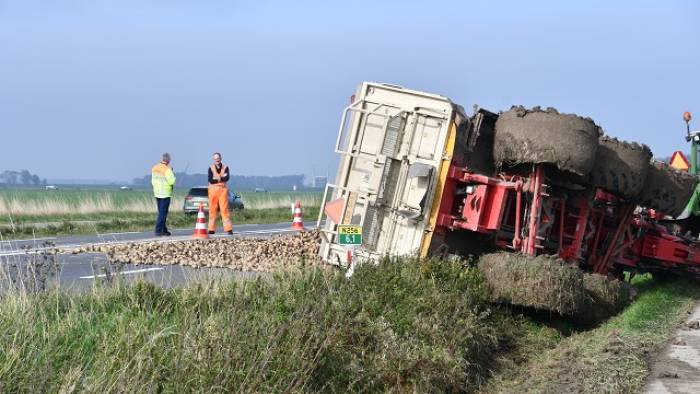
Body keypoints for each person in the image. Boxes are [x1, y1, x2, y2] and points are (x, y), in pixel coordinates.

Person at [208, 152, 233, 235]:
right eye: (215, 159)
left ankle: (228, 229)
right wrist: (221, 178)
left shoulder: (226, 167)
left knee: (224, 210)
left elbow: (227, 178)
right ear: (213, 160)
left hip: (222, 191)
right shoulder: (210, 168)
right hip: (213, 192)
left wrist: (217, 179)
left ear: (220, 159)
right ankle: (211, 229)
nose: (217, 160)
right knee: (212, 210)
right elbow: (211, 180)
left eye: (218, 158)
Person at [151, 153, 176, 236]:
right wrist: (172, 172)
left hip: (157, 193)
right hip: (165, 194)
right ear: (168, 160)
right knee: (163, 213)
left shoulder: (154, 168)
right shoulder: (167, 170)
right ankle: (158, 230)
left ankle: (164, 230)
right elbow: (172, 181)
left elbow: (153, 181)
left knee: (161, 212)